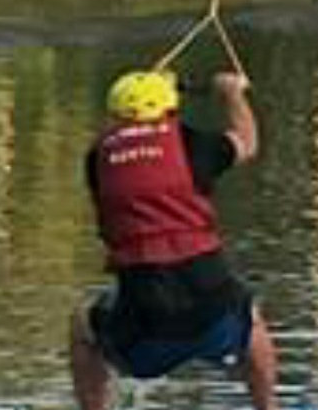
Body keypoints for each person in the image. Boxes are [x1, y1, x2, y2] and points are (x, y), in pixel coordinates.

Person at [70, 68, 280, 410]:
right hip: (213, 317)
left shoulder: (97, 160)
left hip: (144, 333)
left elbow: (116, 142)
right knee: (250, 316)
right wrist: (232, 94)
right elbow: (247, 142)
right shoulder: (192, 144)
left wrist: (148, 95)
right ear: (170, 111)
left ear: (114, 115)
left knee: (81, 325)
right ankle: (267, 408)